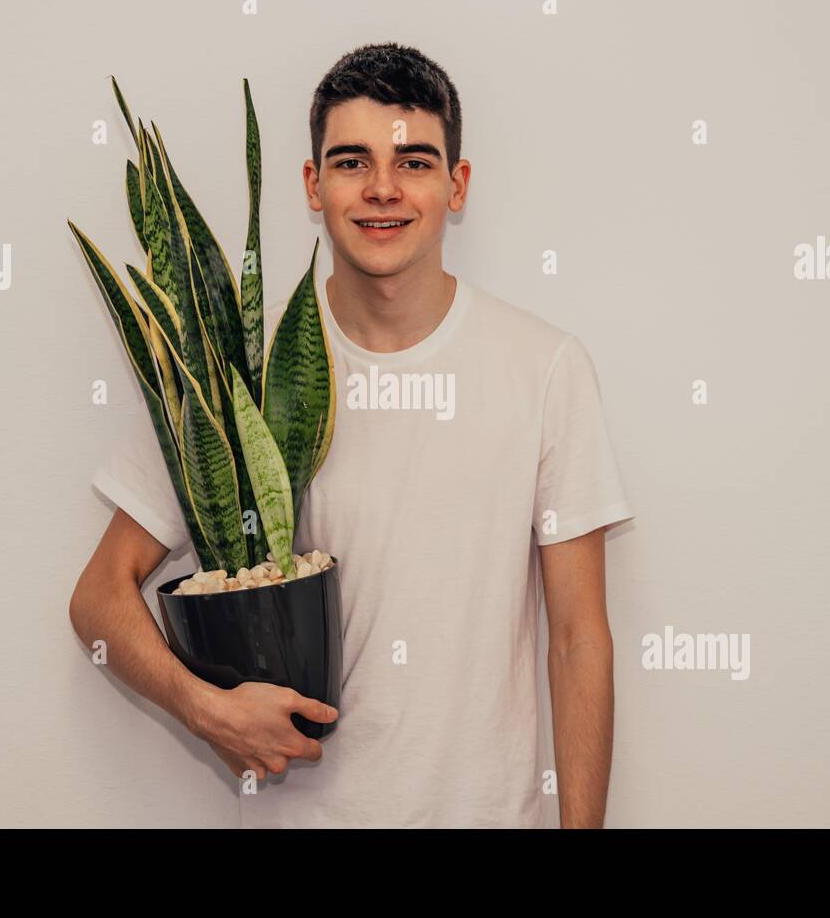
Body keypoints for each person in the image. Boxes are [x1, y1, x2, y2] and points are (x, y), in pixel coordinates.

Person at [69, 42, 635, 828]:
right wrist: (203, 708)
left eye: (413, 162)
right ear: (312, 184)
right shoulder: (241, 372)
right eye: (350, 161)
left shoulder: (545, 368)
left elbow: (579, 640)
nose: (381, 189)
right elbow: (98, 596)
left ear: (456, 185)